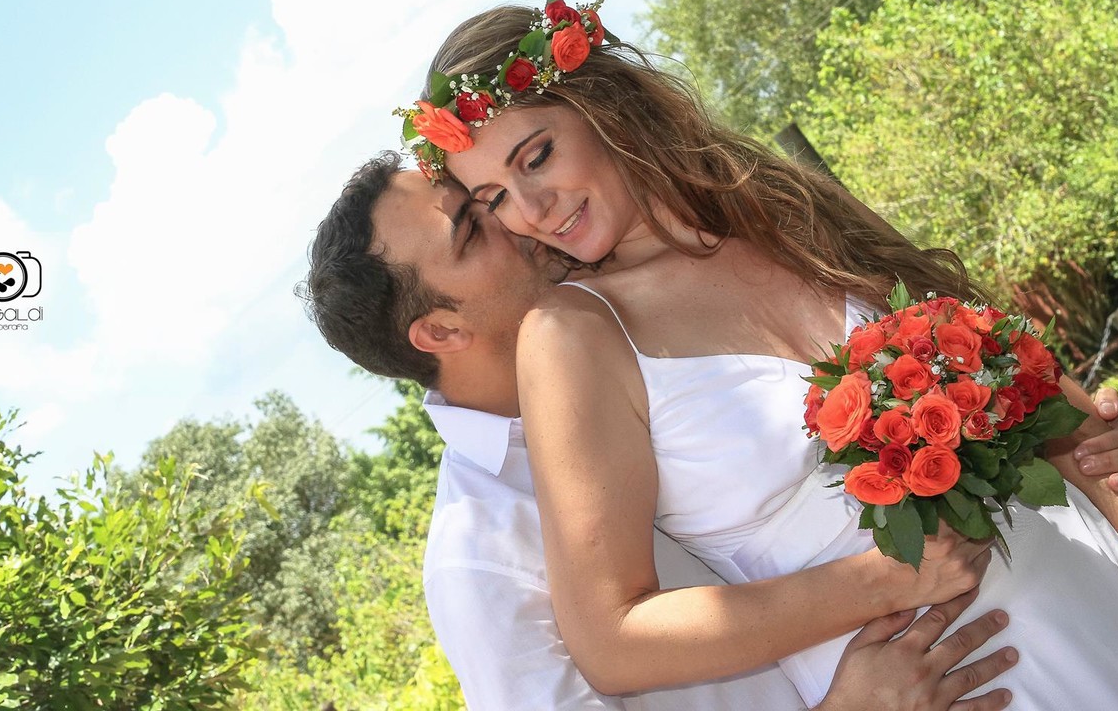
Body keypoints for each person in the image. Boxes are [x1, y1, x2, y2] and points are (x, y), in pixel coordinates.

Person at [401, 0, 1118, 708]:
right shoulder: (572, 336)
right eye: (493, 199)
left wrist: (1100, 449)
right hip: (963, 684)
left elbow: (1000, 359)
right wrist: (890, 577)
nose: (532, 212)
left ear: (603, 107)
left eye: (537, 157)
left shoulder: (777, 206)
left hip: (1091, 588)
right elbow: (610, 641)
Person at [302, 153, 1032, 710]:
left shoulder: (642, 344)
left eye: (485, 199)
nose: (516, 218)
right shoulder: (476, 562)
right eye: (473, 228)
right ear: (440, 329)